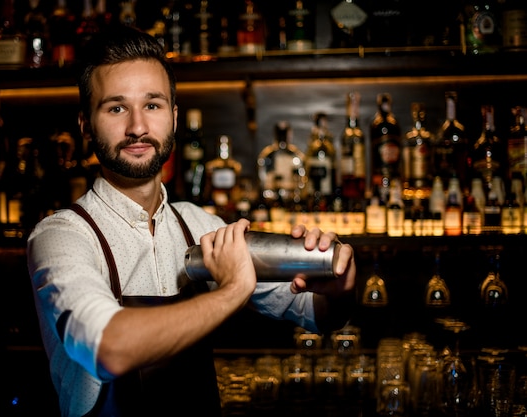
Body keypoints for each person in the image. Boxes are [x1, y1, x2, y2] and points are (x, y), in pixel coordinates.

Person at [26, 24, 356, 417]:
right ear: (85, 124)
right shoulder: (61, 236)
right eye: (116, 107)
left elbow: (315, 314)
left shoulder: (198, 224)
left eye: (152, 105)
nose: (137, 127)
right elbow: (109, 348)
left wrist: (339, 285)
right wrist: (231, 291)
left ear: (174, 116)